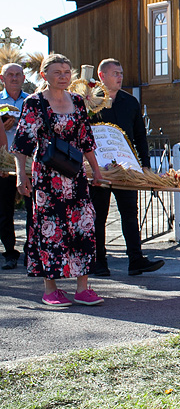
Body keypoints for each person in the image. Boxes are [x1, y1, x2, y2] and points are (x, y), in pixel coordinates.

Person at [12, 53, 107, 306]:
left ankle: (83, 287)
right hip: (46, 178)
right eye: (57, 72)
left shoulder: (77, 100)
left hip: (75, 176)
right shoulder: (34, 103)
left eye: (67, 72)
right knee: (50, 230)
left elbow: (86, 140)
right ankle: (50, 288)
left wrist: (96, 170)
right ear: (44, 75)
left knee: (84, 225)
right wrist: (21, 176)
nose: (63, 76)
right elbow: (22, 144)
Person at [89, 59, 164, 277]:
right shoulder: (90, 102)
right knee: (98, 215)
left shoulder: (130, 102)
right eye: (115, 73)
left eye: (121, 73)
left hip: (126, 167)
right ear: (101, 76)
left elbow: (140, 135)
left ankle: (136, 260)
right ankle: (99, 261)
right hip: (99, 167)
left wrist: (145, 166)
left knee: (130, 213)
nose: (120, 77)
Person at [0, 63, 31, 270]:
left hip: (27, 164)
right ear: (2, 78)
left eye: (18, 74)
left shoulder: (32, 101)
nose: (14, 78)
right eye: (9, 75)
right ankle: (10, 252)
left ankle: (31, 251)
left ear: (23, 77)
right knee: (4, 211)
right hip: (3, 164)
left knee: (33, 210)